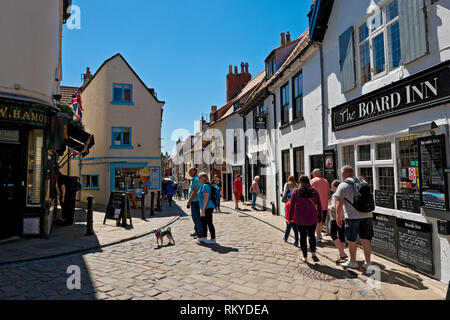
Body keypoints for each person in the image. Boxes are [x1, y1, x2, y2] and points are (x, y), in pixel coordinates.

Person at [335, 165, 374, 270]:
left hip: (352, 217)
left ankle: (353, 261)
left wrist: (338, 217)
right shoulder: (363, 182)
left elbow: (339, 204)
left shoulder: (343, 185)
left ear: (343, 174)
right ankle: (368, 262)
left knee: (352, 240)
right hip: (367, 215)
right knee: (366, 239)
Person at [289, 175, 323, 263]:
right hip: (312, 217)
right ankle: (313, 253)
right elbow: (319, 205)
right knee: (312, 236)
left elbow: (292, 206)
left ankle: (305, 257)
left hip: (300, 218)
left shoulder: (296, 192)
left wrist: (290, 218)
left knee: (303, 237)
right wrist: (321, 216)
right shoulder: (314, 191)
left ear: (300, 182)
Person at [329, 180, 348, 262]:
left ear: (335, 187)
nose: (331, 188)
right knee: (341, 235)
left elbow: (333, 207)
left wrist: (328, 206)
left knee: (333, 234)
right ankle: (341, 255)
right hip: (344, 217)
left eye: (332, 187)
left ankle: (342, 252)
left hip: (335, 217)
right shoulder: (345, 194)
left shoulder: (335, 195)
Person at [311, 169, 331, 243]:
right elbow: (328, 193)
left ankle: (318, 236)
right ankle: (319, 235)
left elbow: (310, 193)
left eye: (313, 174)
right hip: (324, 205)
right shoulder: (326, 181)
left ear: (315, 174)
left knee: (316, 221)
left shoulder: (313, 181)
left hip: (316, 205)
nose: (312, 175)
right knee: (321, 221)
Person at [198, 173, 217, 244]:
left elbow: (206, 198)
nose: (198, 180)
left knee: (209, 222)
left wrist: (203, 210)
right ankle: (204, 237)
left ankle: (213, 239)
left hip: (208, 207)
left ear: (203, 178)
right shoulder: (203, 186)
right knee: (204, 222)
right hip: (206, 206)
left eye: (199, 178)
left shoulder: (205, 186)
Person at [187, 168, 203, 239]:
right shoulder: (194, 178)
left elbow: (195, 190)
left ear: (195, 172)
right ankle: (197, 231)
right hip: (195, 201)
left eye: (191, 171)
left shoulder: (196, 179)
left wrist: (189, 201)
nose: (189, 172)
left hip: (195, 201)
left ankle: (200, 233)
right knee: (195, 217)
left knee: (196, 217)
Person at [283, 176, 299, 246]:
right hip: (295, 202)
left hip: (289, 202)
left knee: (288, 226)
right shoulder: (296, 184)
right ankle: (296, 241)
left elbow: (284, 193)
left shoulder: (287, 184)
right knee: (296, 229)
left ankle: (285, 237)